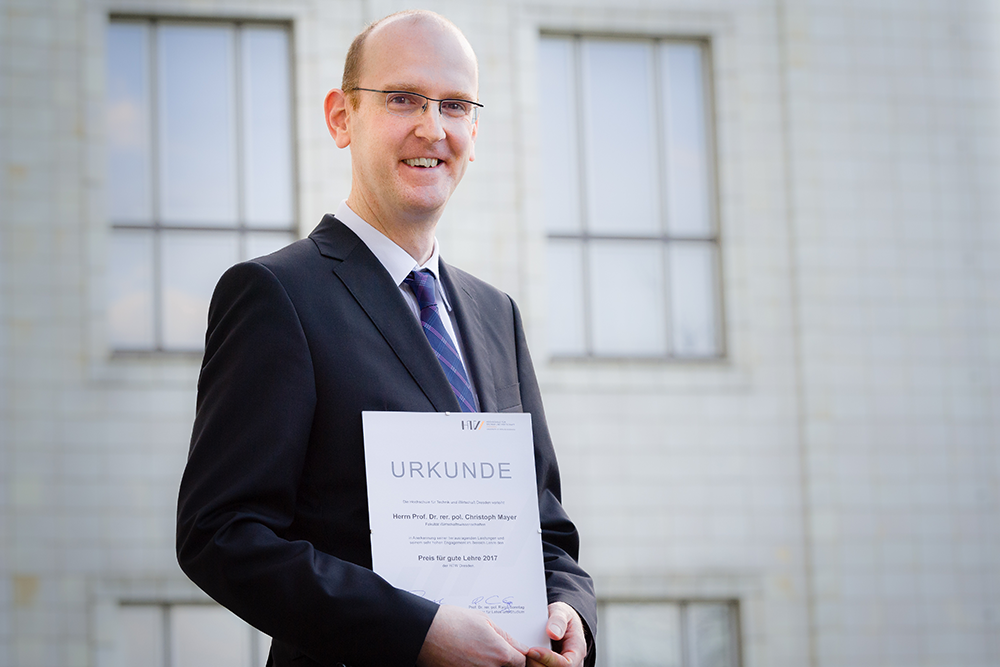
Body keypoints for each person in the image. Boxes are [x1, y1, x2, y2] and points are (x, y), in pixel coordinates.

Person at [176, 10, 596, 667]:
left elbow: (544, 527)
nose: (433, 127)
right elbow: (221, 533)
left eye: (454, 105)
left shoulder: (496, 315)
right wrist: (414, 631)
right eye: (403, 98)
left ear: (474, 133)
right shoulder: (276, 295)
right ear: (341, 117)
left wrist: (570, 612)